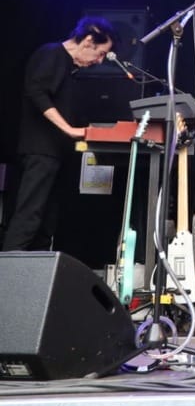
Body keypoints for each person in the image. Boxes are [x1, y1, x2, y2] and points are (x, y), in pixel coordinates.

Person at [2, 17, 118, 251]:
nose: (99, 60)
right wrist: (69, 129)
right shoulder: (51, 54)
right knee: (29, 216)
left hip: (56, 154)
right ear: (88, 41)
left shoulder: (69, 68)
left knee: (46, 222)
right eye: (101, 53)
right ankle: (7, 269)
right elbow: (36, 92)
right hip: (40, 151)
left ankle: (36, 270)